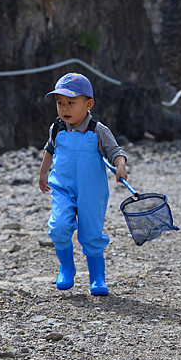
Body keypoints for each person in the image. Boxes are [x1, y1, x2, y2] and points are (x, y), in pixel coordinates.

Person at [38, 72, 127, 296]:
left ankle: (97, 276)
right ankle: (67, 267)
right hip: (62, 188)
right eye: (60, 103)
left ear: (88, 104)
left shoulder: (98, 130)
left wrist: (121, 165)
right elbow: (49, 151)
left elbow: (115, 151)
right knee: (58, 227)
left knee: (91, 234)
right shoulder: (56, 128)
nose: (64, 108)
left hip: (91, 191)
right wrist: (43, 173)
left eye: (71, 102)